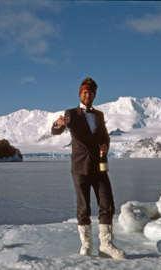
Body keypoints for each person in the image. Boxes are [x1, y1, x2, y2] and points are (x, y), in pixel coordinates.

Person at [51, 77, 126, 259]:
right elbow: (57, 130)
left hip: (99, 166)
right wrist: (58, 124)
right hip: (80, 167)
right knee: (83, 208)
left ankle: (106, 245)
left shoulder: (99, 115)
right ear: (80, 94)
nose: (88, 95)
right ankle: (86, 245)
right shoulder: (71, 113)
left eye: (91, 92)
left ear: (94, 95)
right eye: (84, 92)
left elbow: (105, 137)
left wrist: (105, 146)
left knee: (107, 204)